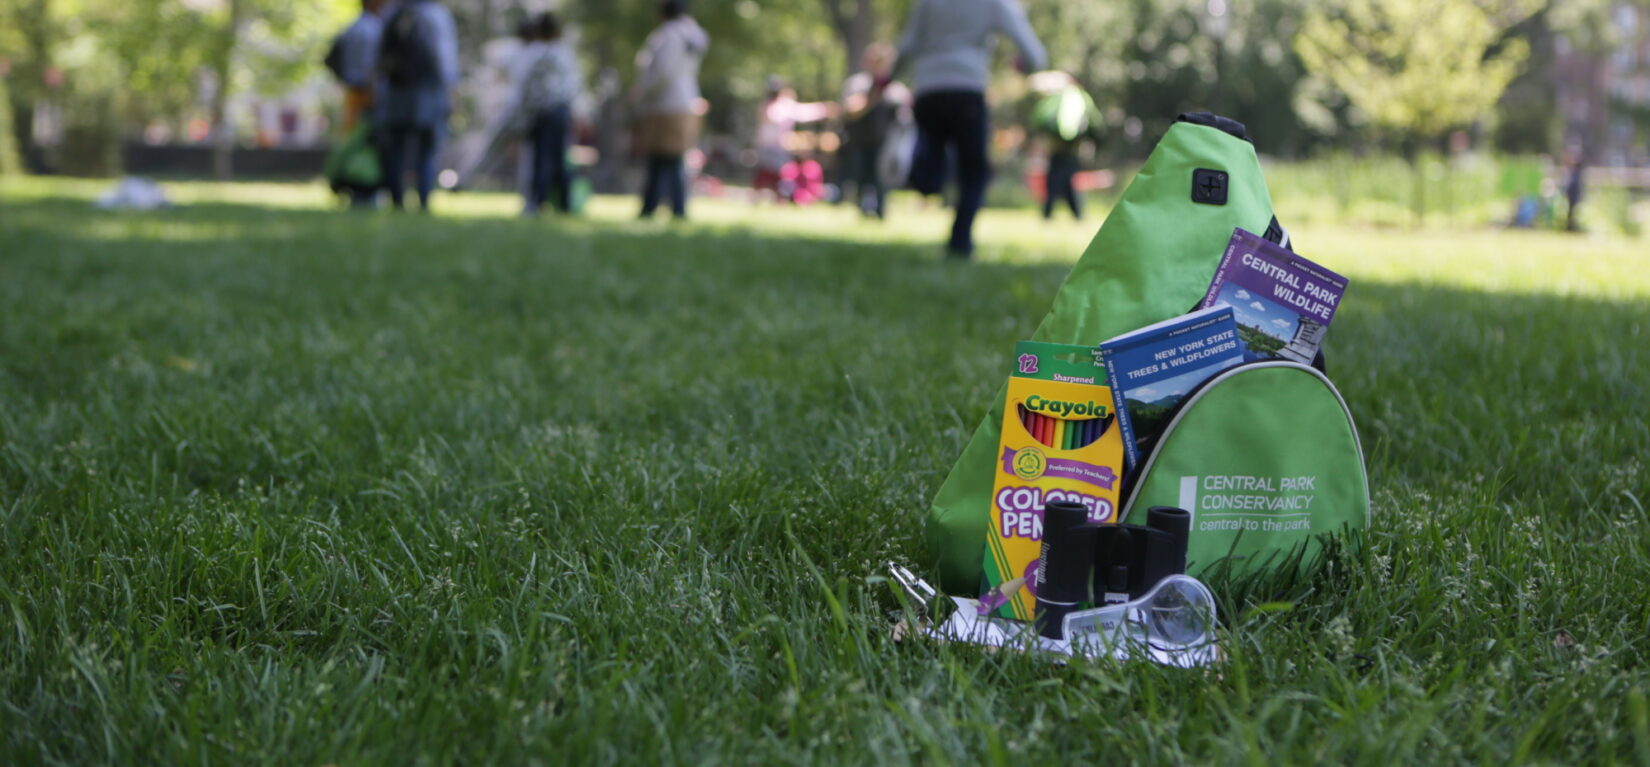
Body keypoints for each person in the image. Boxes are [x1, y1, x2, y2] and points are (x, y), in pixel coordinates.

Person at [896, 0, 1046, 258]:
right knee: (974, 172)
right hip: (968, 90)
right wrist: (1025, 66)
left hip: (928, 89)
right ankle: (960, 241)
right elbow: (1035, 55)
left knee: (931, 159)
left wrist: (891, 76)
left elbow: (909, 43)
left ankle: (926, 178)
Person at [375, 0, 460, 212]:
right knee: (427, 149)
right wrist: (451, 94)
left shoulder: (391, 13)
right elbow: (445, 58)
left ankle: (397, 200)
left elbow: (381, 56)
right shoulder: (437, 15)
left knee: (396, 149)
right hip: (428, 90)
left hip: (397, 91)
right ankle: (423, 200)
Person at [632, 0, 709, 220]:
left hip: (665, 104)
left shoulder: (669, 35)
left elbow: (663, 72)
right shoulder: (691, 35)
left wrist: (643, 90)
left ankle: (666, 207)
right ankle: (667, 207)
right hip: (684, 101)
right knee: (672, 159)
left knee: (665, 159)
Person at [511, 12, 581, 214]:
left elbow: (525, 86)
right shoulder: (565, 54)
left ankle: (536, 202)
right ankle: (565, 204)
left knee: (540, 159)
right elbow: (573, 86)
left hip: (541, 113)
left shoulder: (535, 54)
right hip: (560, 111)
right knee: (559, 158)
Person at [324, 0, 388, 207]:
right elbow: (370, 67)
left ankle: (355, 191)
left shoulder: (353, 27)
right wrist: (374, 95)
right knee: (364, 146)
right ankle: (363, 192)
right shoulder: (371, 29)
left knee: (352, 142)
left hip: (352, 92)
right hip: (365, 95)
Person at [839, 43, 910, 219]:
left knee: (882, 178)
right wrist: (872, 96)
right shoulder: (858, 83)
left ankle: (880, 210)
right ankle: (862, 209)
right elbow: (849, 110)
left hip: (886, 141)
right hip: (860, 139)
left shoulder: (896, 89)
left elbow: (905, 118)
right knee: (861, 175)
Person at [1028, 70, 1102, 221]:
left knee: (1058, 180)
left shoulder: (1056, 98)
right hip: (1074, 147)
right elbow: (1096, 122)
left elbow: (1038, 117)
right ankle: (1074, 215)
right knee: (1068, 179)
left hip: (1057, 147)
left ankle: (1053, 213)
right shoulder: (1082, 97)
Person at [752, 76, 834, 202]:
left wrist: (823, 109)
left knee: (779, 176)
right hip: (768, 148)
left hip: (777, 149)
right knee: (768, 175)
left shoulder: (782, 105)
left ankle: (782, 198)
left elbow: (804, 111)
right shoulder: (774, 106)